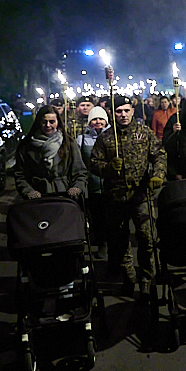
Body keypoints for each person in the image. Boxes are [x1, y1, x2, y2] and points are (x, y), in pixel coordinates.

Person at [89, 94, 166, 295]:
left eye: (126, 110)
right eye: (118, 111)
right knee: (119, 241)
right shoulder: (106, 137)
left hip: (141, 195)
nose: (123, 115)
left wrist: (158, 175)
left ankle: (147, 279)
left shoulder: (144, 132)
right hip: (116, 197)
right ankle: (128, 277)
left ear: (132, 111)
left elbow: (159, 154)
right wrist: (108, 168)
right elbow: (94, 163)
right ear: (112, 113)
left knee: (147, 238)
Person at [14, 105, 88, 200]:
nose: (48, 125)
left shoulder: (68, 143)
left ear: (58, 122)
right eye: (44, 122)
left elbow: (80, 172)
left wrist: (76, 188)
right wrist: (28, 191)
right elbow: (20, 174)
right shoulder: (26, 145)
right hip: (38, 197)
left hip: (65, 195)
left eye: (52, 122)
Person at [77, 106, 111, 259]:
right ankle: (101, 241)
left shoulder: (113, 136)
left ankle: (110, 242)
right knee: (97, 216)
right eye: (94, 119)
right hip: (92, 185)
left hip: (110, 184)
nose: (98, 122)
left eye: (101, 119)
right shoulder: (82, 139)